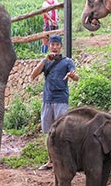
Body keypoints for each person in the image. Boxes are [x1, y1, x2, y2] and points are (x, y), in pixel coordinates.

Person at [31, 35, 78, 169]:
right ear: (49, 46)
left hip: (61, 101)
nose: (55, 47)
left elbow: (76, 76)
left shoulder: (67, 61)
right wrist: (44, 60)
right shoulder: (46, 62)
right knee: (49, 132)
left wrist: (73, 76)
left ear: (61, 47)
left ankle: (64, 161)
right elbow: (33, 75)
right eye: (52, 44)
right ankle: (51, 161)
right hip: (47, 100)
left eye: (57, 45)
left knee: (62, 132)